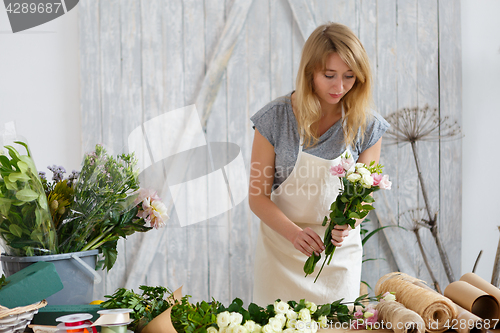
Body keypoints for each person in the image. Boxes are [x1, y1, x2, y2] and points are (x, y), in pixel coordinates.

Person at [248, 22, 390, 306]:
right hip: (281, 253)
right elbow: (257, 197)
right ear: (310, 72)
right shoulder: (275, 119)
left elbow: (363, 198)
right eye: (329, 75)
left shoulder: (368, 126)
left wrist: (349, 222)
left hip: (336, 259)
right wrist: (294, 234)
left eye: (350, 76)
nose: (339, 87)